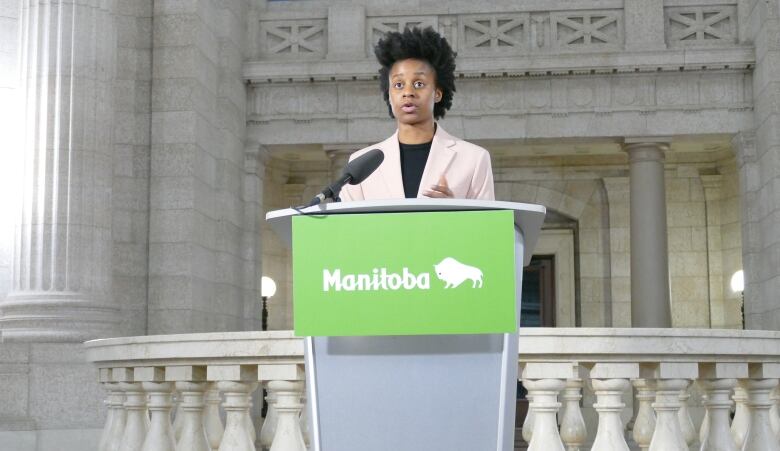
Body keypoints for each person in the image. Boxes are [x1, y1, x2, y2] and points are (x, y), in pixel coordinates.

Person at [340, 27, 495, 201]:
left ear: (437, 93)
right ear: (389, 95)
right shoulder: (359, 166)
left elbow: (488, 227)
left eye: (419, 84)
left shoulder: (474, 159)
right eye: (399, 85)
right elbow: (348, 226)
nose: (408, 92)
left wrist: (454, 214)